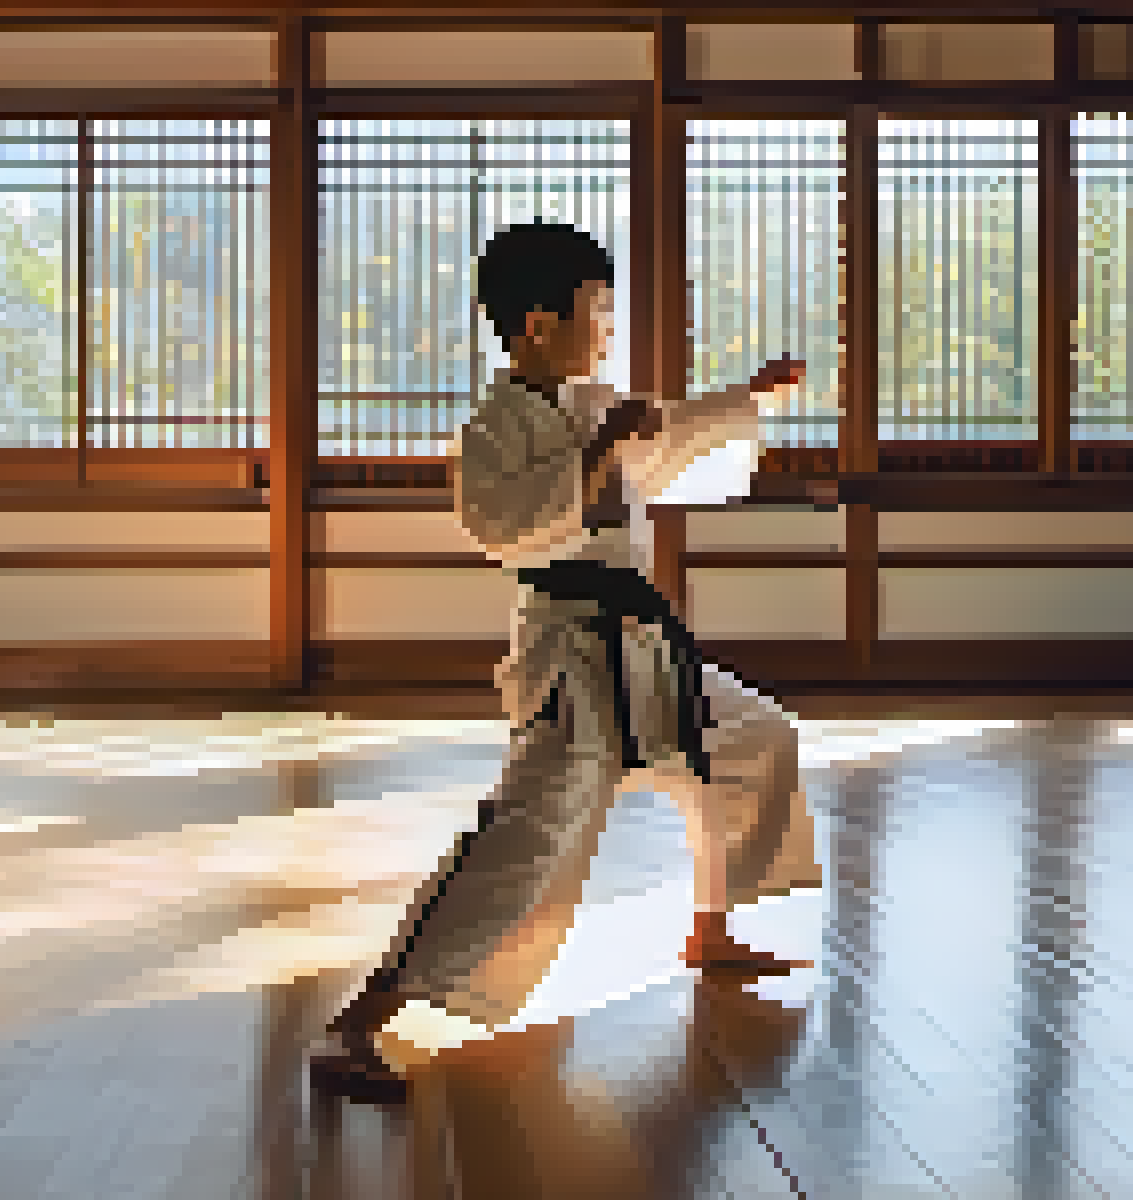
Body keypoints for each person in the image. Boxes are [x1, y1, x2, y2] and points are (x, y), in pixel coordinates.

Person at [310, 220, 825, 1104]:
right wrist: (594, 457)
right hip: (572, 662)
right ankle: (359, 1022)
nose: (609, 325)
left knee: (745, 740)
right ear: (540, 323)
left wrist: (750, 396)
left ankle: (712, 925)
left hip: (643, 649)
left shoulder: (595, 405)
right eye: (597, 308)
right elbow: (502, 526)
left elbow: (673, 433)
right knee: (524, 838)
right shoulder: (492, 432)